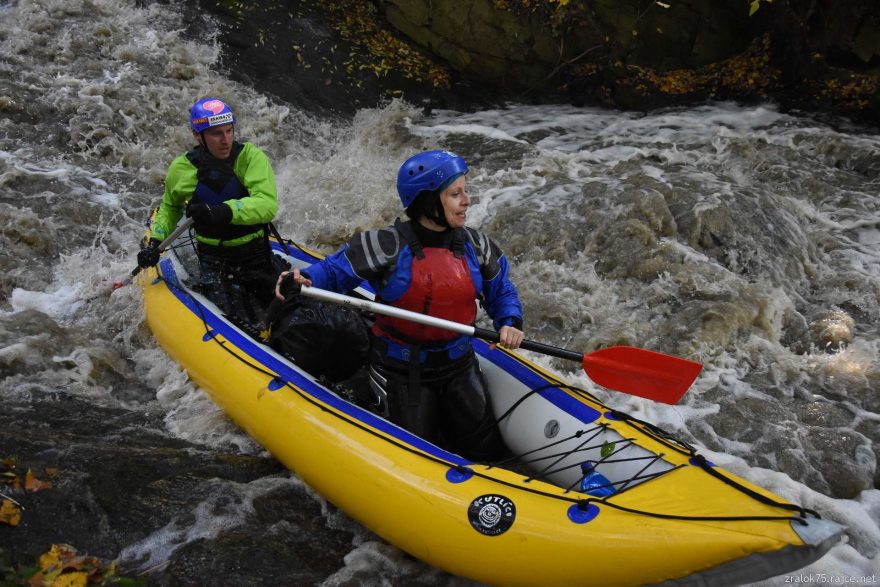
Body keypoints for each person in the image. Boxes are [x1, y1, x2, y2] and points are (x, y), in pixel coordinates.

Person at [275, 150, 525, 462]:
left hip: (460, 366)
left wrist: (510, 320)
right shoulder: (386, 245)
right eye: (455, 194)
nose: (467, 201)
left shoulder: (476, 246)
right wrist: (303, 277)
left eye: (465, 191)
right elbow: (332, 272)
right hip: (402, 371)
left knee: (486, 452)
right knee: (416, 454)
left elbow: (501, 291)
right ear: (427, 201)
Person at [137, 97, 284, 321]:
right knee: (237, 318)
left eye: (229, 131)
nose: (225, 140)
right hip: (215, 263)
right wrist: (155, 242)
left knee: (286, 312)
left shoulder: (250, 158)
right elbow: (170, 207)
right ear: (198, 136)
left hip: (256, 255)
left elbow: (266, 205)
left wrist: (221, 211)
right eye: (216, 134)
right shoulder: (182, 168)